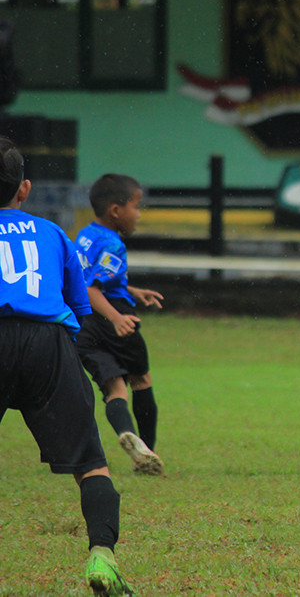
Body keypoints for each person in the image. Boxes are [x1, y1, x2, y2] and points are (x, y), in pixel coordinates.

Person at [0, 138, 134, 595]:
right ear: (25, 189)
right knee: (92, 466)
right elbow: (78, 306)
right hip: (50, 342)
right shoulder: (52, 233)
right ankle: (101, 555)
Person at [75, 173, 165, 476]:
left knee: (115, 388)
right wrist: (116, 316)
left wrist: (131, 290)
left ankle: (126, 432)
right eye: (136, 207)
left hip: (83, 324)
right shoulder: (114, 245)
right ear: (116, 211)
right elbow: (93, 288)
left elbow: (86, 281)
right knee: (141, 379)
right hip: (112, 319)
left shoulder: (85, 235)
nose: (138, 215)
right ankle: (148, 452)